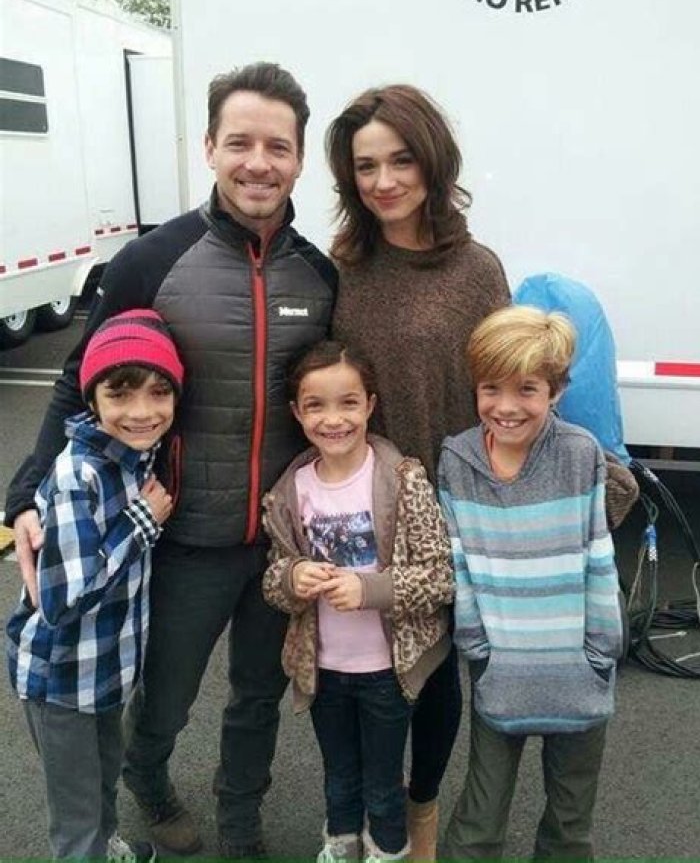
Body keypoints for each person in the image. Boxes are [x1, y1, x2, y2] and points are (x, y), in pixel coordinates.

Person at [4, 62, 337, 857]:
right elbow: (77, 380)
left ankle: (241, 818)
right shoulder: (151, 260)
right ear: (209, 148)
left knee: (257, 695)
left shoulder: (319, 276)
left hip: (280, 539)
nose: (259, 162)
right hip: (182, 534)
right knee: (166, 696)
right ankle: (147, 779)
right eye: (240, 142)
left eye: (278, 146)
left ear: (299, 159)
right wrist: (24, 492)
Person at [327, 83, 511, 858]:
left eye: (400, 160)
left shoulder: (476, 270)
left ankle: (421, 813)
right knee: (356, 678)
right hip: (356, 507)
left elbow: (504, 386)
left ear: (433, 161)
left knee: (434, 677)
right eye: (365, 166)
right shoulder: (341, 268)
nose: (383, 181)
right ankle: (362, 820)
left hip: (448, 510)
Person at [437, 305, 624, 861]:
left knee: (570, 819)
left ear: (556, 390)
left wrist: (601, 651)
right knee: (480, 818)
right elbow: (458, 561)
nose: (506, 406)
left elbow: (598, 555)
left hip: (578, 667)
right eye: (490, 388)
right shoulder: (457, 459)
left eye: (527, 389)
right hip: (500, 669)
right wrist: (478, 649)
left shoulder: (580, 453)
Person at [262, 340, 454, 862]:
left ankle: (386, 852)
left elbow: (440, 576)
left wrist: (370, 590)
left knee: (383, 785)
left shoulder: (402, 478)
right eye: (316, 405)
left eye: (348, 403)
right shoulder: (291, 490)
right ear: (297, 413)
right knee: (339, 775)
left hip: (386, 672)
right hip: (324, 670)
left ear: (370, 405)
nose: (333, 419)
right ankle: (340, 846)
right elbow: (273, 579)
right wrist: (294, 577)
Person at [6, 308, 184, 862]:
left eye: (159, 392)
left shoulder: (134, 456)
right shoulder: (77, 475)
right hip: (62, 682)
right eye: (120, 393)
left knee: (104, 780)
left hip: (107, 672)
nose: (142, 411)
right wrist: (143, 522)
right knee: (76, 819)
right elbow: (66, 599)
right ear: (92, 399)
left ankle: (110, 849)